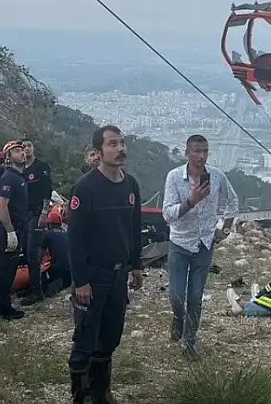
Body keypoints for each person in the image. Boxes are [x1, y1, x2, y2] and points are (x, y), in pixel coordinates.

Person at [66, 125, 143, 404]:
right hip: (93, 275)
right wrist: (81, 281)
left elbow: (135, 228)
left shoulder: (130, 185)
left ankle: (101, 392)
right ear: (99, 153)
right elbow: (74, 238)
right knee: (85, 338)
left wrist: (136, 265)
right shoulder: (86, 187)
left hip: (118, 274)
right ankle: (82, 396)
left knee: (110, 336)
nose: (120, 148)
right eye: (112, 144)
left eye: (122, 143)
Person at [161, 133, 238, 358]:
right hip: (179, 243)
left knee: (195, 296)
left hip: (205, 244)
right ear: (187, 153)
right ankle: (178, 318)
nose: (202, 156)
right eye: (197, 151)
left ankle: (189, 342)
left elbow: (232, 200)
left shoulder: (217, 176)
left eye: (205, 151)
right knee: (176, 296)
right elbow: (167, 214)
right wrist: (190, 202)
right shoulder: (174, 178)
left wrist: (224, 230)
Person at [0, 140, 30, 320]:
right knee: (5, 271)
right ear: (8, 157)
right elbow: (2, 205)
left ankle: (5, 304)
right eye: (16, 151)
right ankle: (2, 309)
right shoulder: (9, 177)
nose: (22, 153)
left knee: (11, 268)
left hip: (19, 229)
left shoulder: (19, 177)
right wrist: (10, 231)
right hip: (9, 231)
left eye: (22, 150)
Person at [21, 138, 54, 306]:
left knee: (32, 252)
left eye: (29, 146)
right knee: (27, 253)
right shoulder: (21, 171)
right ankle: (32, 285)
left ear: (33, 148)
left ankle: (37, 291)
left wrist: (44, 212)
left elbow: (47, 190)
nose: (26, 149)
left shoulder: (41, 167)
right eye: (23, 147)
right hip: (24, 215)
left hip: (37, 214)